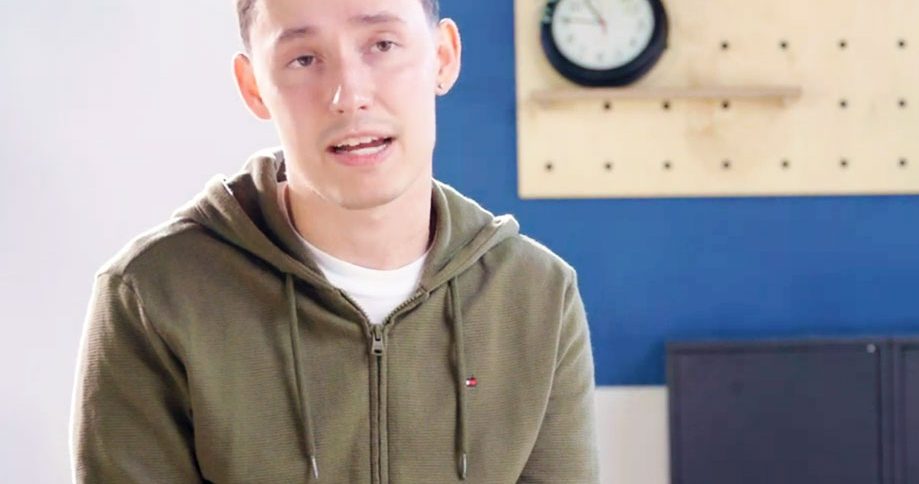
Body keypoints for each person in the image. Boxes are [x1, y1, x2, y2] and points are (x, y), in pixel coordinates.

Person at [70, 0, 599, 482]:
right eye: (303, 59)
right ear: (254, 86)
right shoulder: (150, 296)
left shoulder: (538, 294)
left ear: (442, 56)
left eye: (382, 45)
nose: (349, 96)